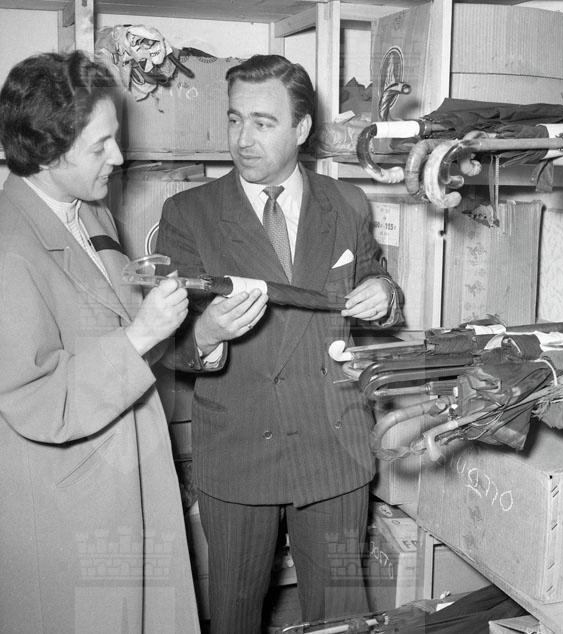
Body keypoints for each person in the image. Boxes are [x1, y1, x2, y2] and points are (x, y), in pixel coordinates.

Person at [156, 53, 403, 633]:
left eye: (263, 123)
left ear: (301, 128)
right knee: (235, 614)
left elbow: (375, 276)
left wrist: (383, 293)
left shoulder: (347, 203)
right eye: (235, 119)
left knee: (342, 615)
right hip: (240, 450)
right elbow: (166, 343)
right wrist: (208, 333)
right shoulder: (189, 213)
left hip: (333, 446)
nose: (243, 139)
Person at [0, 51, 199, 633]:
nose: (118, 157)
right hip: (71, 504)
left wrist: (193, 328)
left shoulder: (90, 211)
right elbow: (39, 400)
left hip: (125, 469)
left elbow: (119, 322)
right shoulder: (9, 250)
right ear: (46, 152)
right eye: (100, 146)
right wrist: (142, 333)